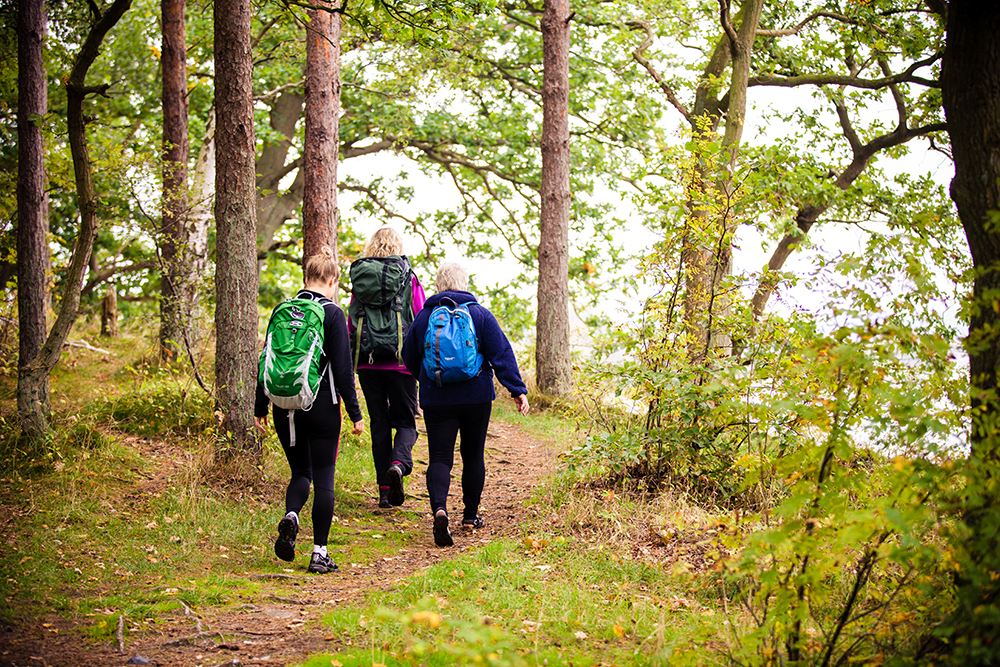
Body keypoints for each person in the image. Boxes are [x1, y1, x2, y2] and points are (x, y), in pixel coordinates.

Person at [401, 262, 530, 547]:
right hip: (477, 396)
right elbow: (502, 354)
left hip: (436, 397)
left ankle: (439, 509)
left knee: (439, 458)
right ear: (465, 284)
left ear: (438, 285)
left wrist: (426, 378)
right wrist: (517, 390)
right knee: (473, 455)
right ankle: (471, 516)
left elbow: (407, 355)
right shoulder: (480, 315)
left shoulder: (424, 317)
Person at [255, 246, 364, 574]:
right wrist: (357, 414)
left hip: (283, 407)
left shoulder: (282, 309)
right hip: (322, 409)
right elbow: (343, 371)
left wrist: (260, 406)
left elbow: (265, 359)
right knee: (324, 479)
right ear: (332, 280)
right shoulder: (332, 314)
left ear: (306, 277)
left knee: (301, 473)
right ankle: (319, 552)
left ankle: (291, 516)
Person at [348, 227, 426, 509]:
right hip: (400, 363)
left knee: (379, 424)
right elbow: (419, 317)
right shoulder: (408, 277)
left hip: (367, 363)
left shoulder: (360, 279)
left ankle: (384, 490)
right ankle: (398, 463)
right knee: (406, 422)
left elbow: (352, 317)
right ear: (397, 246)